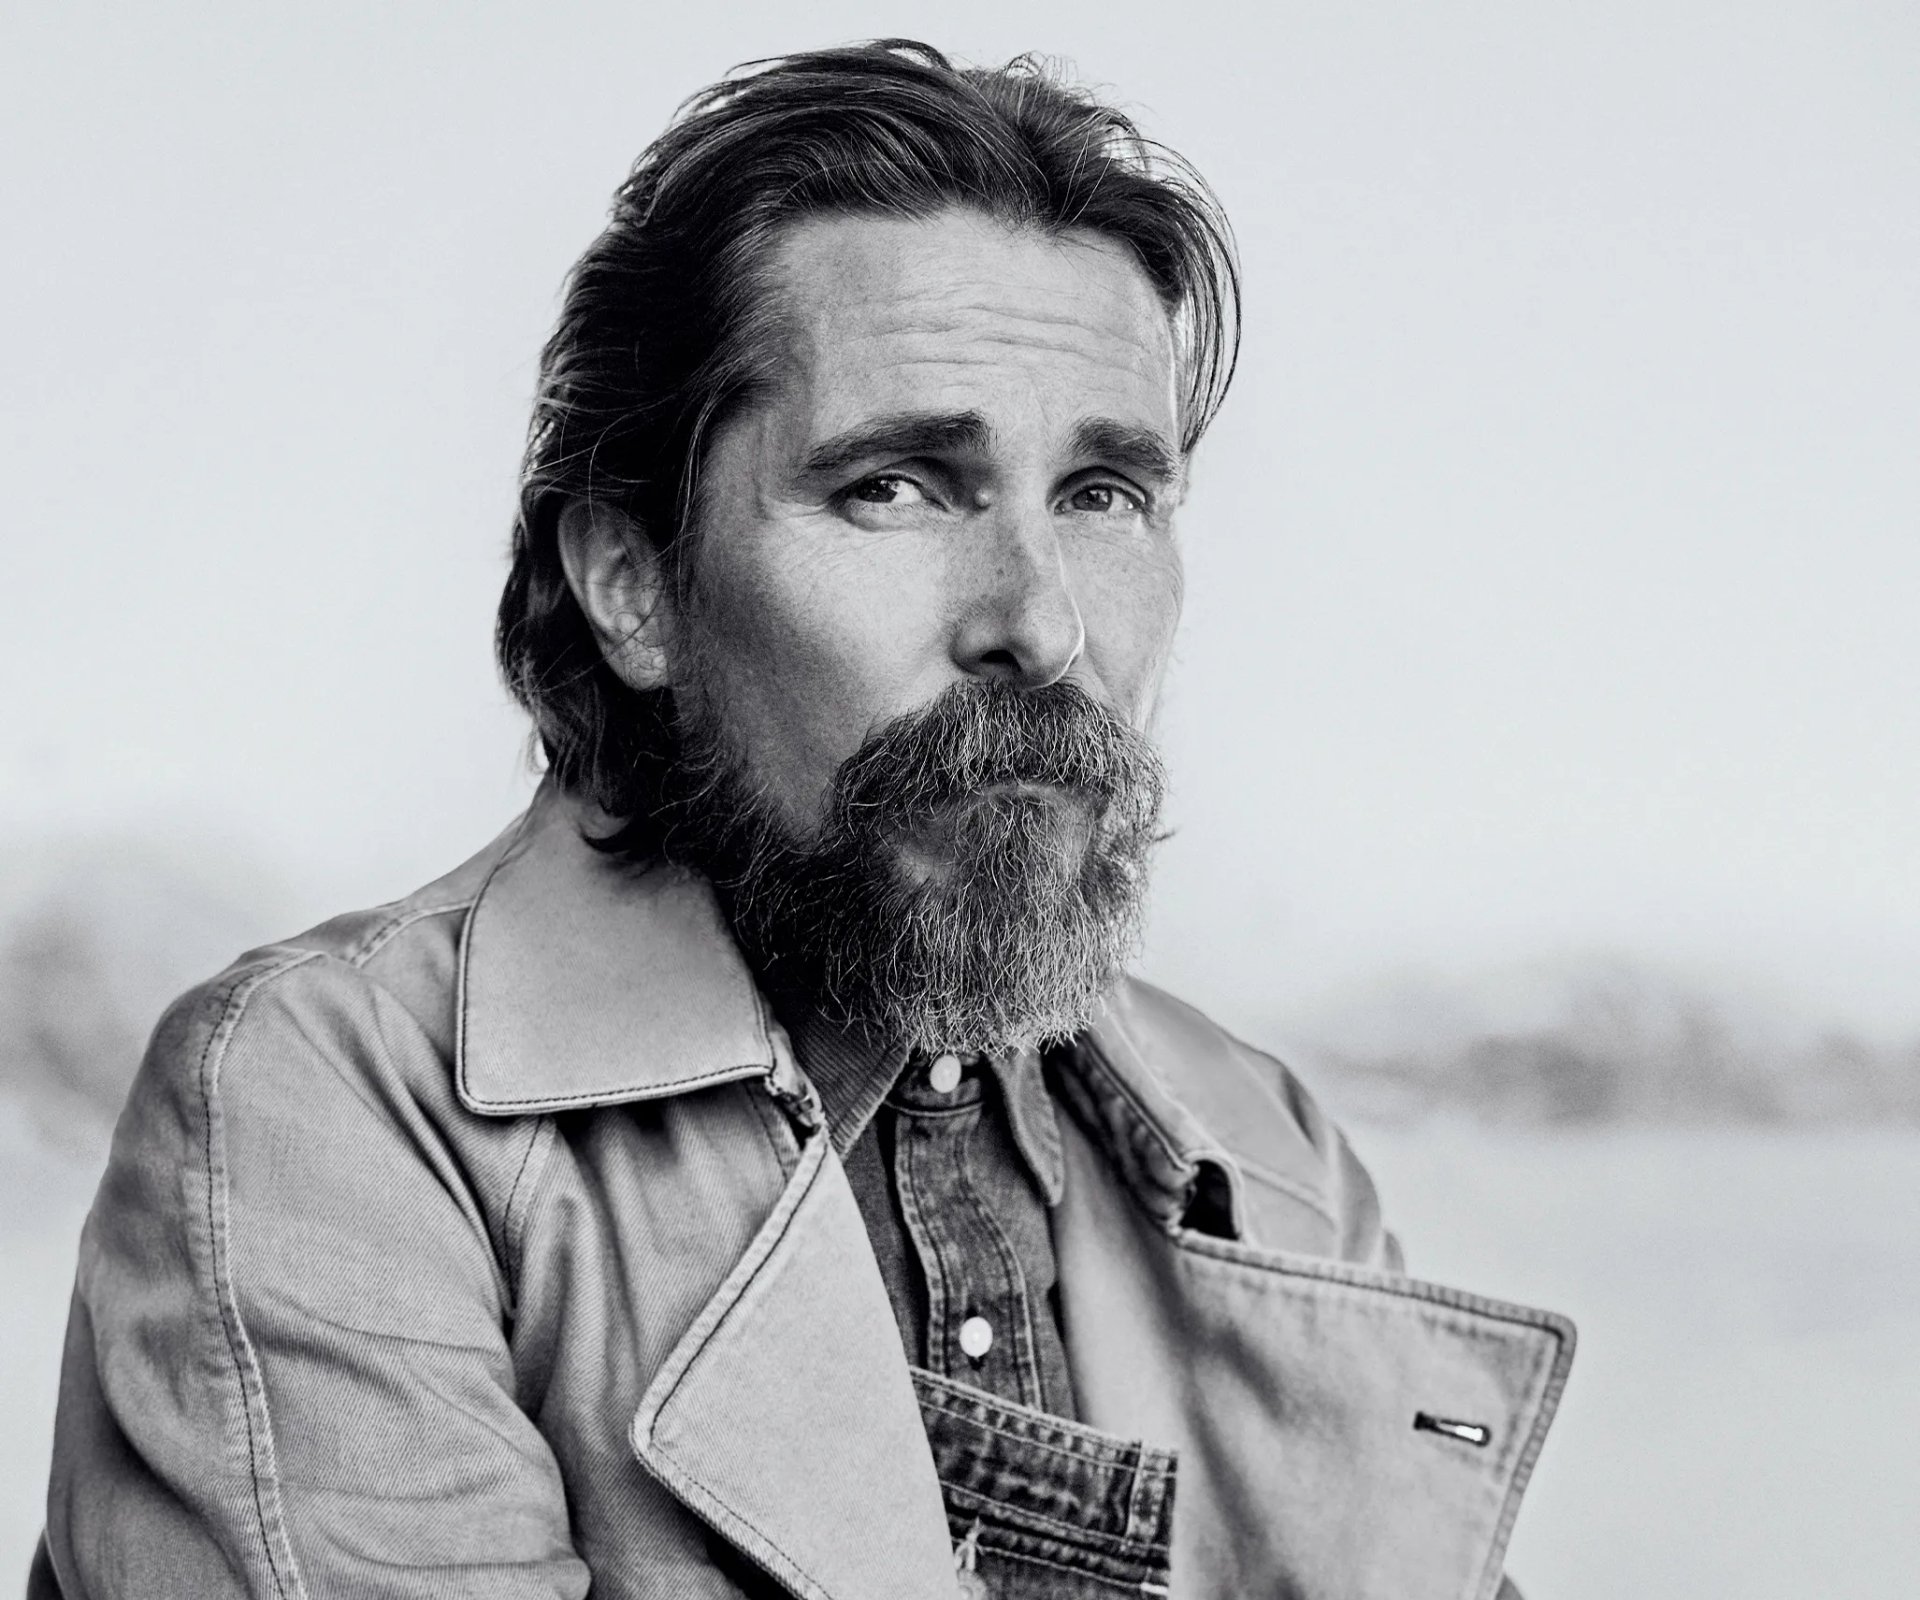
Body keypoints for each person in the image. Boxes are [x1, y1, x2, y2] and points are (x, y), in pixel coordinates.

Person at [34, 40, 1573, 1600]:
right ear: (634, 584)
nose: (1040, 623)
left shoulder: (1264, 1152)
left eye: (1105, 493)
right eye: (895, 487)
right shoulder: (335, 1108)